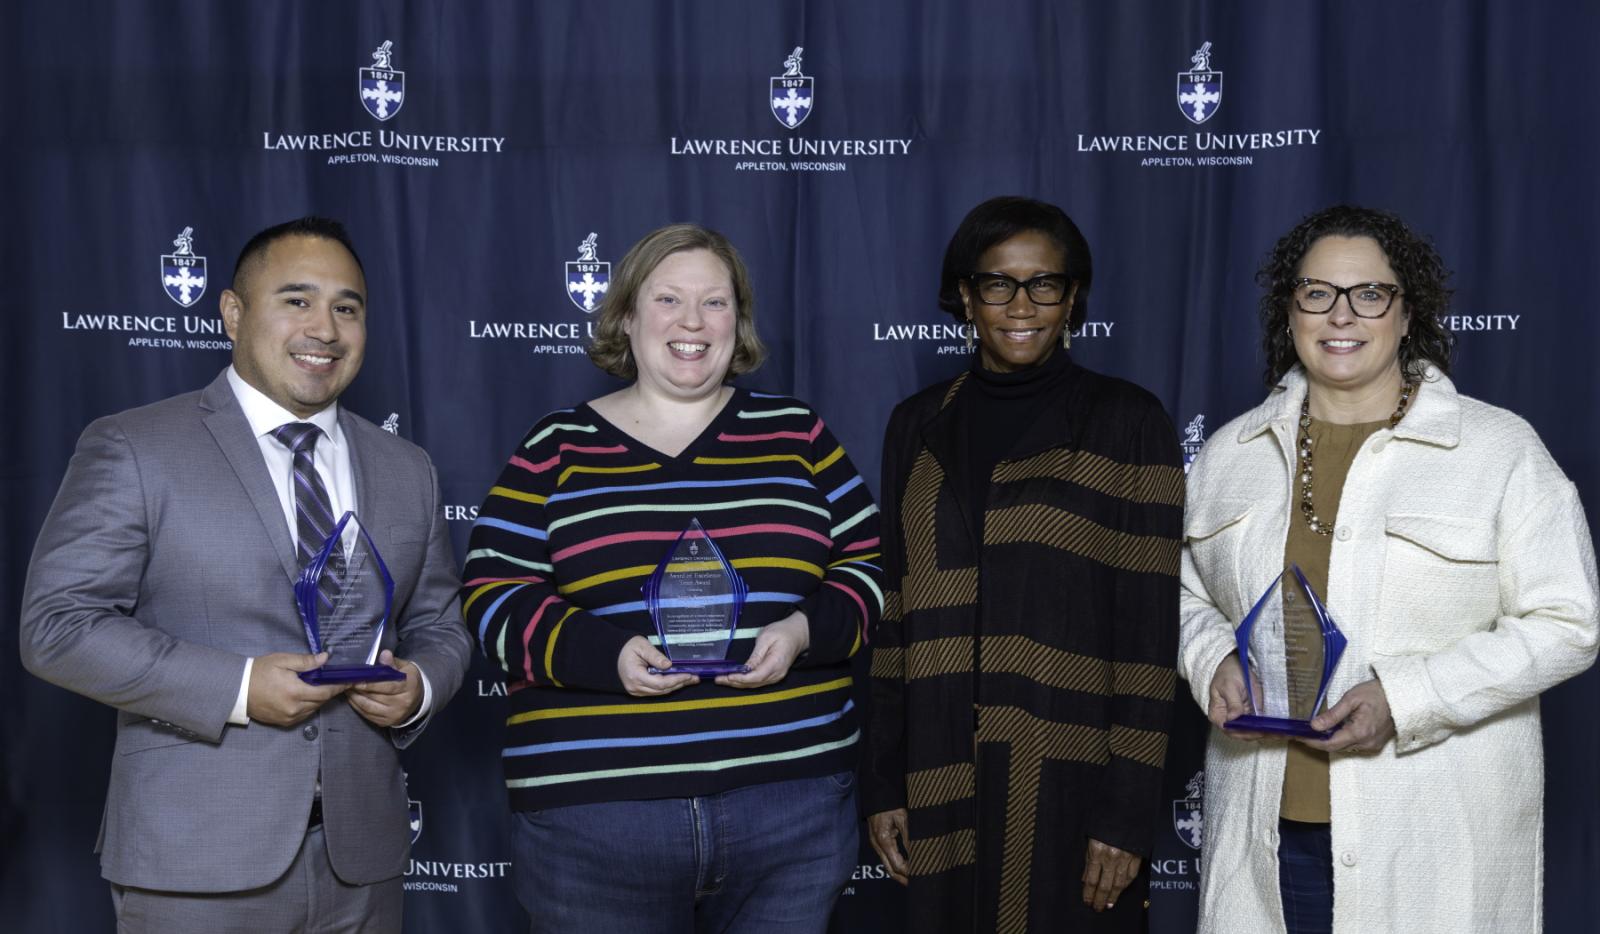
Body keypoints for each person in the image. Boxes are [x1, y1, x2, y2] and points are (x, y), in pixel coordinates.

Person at [20, 216, 474, 933]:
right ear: (233, 312)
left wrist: (418, 688)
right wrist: (239, 689)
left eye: (346, 307)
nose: (324, 327)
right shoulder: (136, 446)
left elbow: (441, 626)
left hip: (364, 862)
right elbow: (57, 626)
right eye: (296, 300)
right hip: (196, 860)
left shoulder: (405, 467)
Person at [1177, 204, 1599, 934]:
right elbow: (1185, 592)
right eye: (1317, 293)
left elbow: (1569, 622)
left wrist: (1406, 699)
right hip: (1266, 834)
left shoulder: (1497, 450)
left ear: (1408, 315)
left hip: (1433, 837)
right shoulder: (1229, 454)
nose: (1342, 315)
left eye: (1369, 294)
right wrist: (1210, 656)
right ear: (1291, 311)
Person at [461, 223, 883, 933]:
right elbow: (491, 593)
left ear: (736, 322)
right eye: (667, 299)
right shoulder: (557, 447)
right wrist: (606, 655)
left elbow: (868, 567)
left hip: (791, 811)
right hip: (598, 825)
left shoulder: (799, 435)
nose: (692, 322)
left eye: (715, 303)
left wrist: (805, 630)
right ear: (626, 316)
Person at [861, 196, 1184, 932]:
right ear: (966, 297)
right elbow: (895, 615)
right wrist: (881, 783)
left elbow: (1148, 633)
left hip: (1068, 781)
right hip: (937, 770)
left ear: (1072, 299)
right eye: (998, 283)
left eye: (1045, 284)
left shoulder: (1128, 421)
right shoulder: (917, 423)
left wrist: (1129, 811)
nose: (1021, 304)